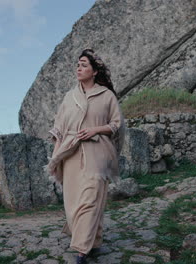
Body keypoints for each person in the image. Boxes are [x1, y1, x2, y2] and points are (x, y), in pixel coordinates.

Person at [45, 49, 125, 264]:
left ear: (95, 71)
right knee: (73, 201)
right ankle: (94, 241)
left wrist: (96, 130)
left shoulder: (107, 96)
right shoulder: (69, 97)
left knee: (91, 197)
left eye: (84, 65)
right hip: (71, 154)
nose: (78, 68)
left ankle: (81, 250)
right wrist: (57, 157)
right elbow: (59, 128)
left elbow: (117, 125)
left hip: (97, 152)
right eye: (77, 64)